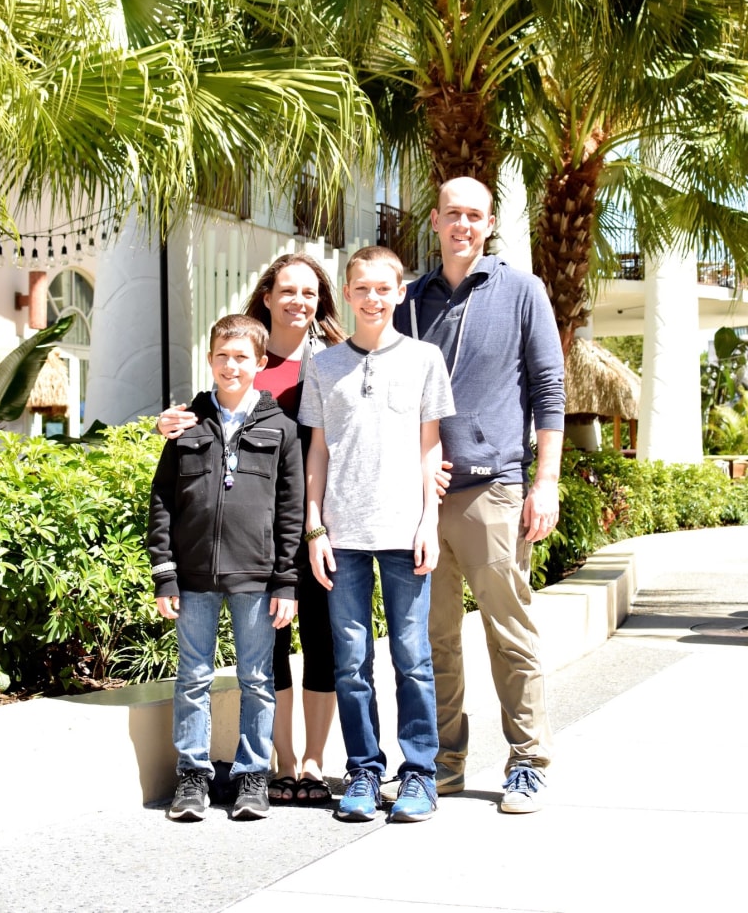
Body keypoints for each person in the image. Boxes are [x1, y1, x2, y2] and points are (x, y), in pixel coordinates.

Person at [393, 176, 565, 814]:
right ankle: (445, 761)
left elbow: (549, 392)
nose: (462, 224)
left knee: (509, 633)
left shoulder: (524, 291)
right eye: (451, 214)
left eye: (474, 215)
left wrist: (543, 482)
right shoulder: (408, 301)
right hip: (421, 499)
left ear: (488, 224)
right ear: (434, 222)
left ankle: (528, 761)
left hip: (494, 490)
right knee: (433, 637)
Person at [156, 253, 344, 805]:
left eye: (309, 293)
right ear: (267, 295)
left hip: (325, 525)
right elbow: (202, 429)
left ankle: (313, 761)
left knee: (325, 643)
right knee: (270, 651)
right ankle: (279, 764)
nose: (298, 302)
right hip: (264, 537)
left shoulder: (334, 361)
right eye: (287, 290)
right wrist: (170, 421)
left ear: (320, 301)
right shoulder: (245, 358)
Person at [300, 246, 455, 823]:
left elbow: (430, 447)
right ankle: (363, 771)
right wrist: (315, 528)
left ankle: (419, 776)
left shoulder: (424, 359)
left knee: (412, 659)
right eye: (361, 288)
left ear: (399, 292)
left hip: (403, 534)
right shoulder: (323, 366)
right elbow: (316, 453)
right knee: (351, 662)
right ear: (348, 291)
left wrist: (428, 523)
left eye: (382, 288)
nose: (372, 298)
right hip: (342, 538)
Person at [147, 314, 304, 821]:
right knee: (192, 675)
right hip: (192, 578)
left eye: (241, 357)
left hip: (257, 580)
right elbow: (163, 499)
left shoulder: (281, 430)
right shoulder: (187, 425)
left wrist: (286, 580)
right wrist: (164, 572)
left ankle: (252, 775)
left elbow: (291, 510)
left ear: (260, 363)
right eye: (221, 356)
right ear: (210, 360)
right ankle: (193, 775)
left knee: (257, 677)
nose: (230, 366)